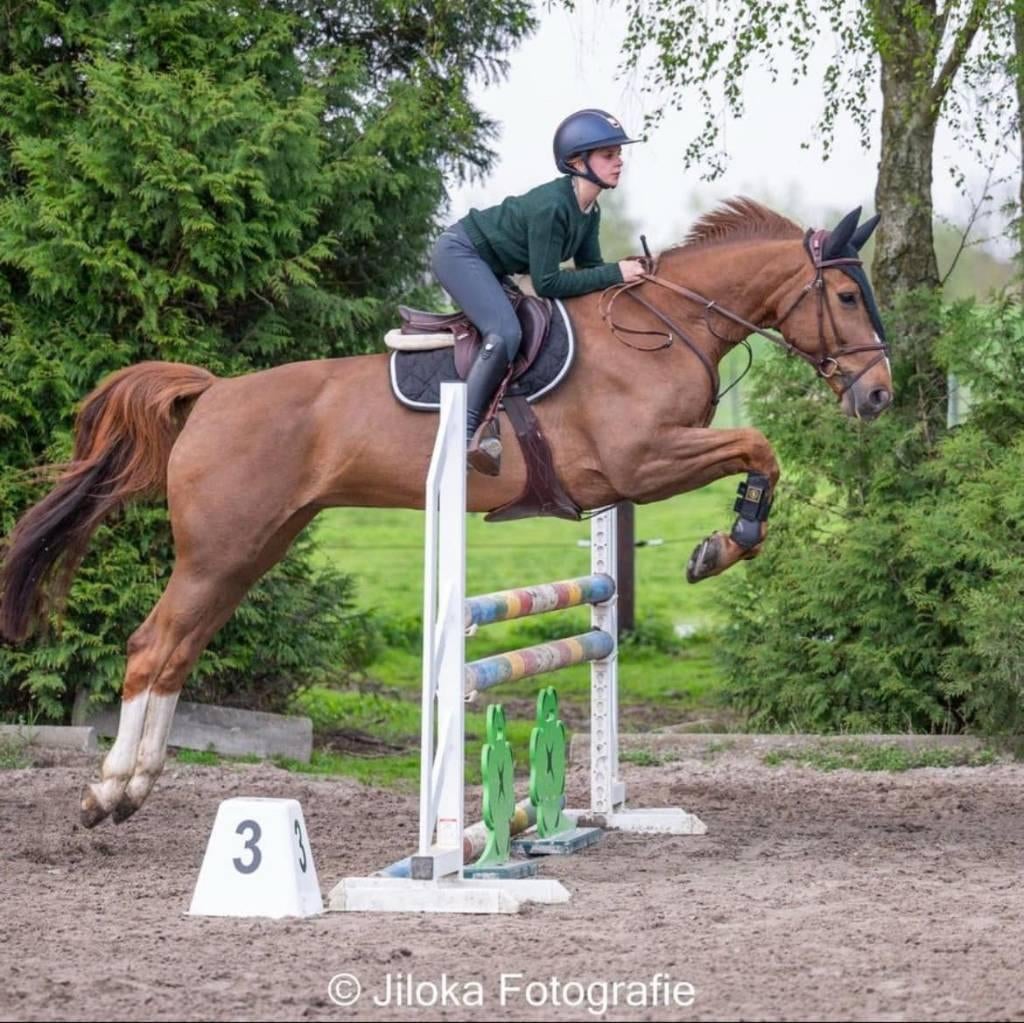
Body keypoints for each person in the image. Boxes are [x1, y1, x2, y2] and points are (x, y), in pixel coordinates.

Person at [430, 108, 647, 475]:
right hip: (458, 253)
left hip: (489, 264)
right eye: (609, 155)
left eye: (619, 154)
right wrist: (615, 273)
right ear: (578, 162)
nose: (619, 162)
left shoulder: (589, 209)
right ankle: (461, 433)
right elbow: (547, 283)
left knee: (524, 328)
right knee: (506, 332)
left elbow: (591, 269)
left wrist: (629, 273)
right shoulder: (552, 207)